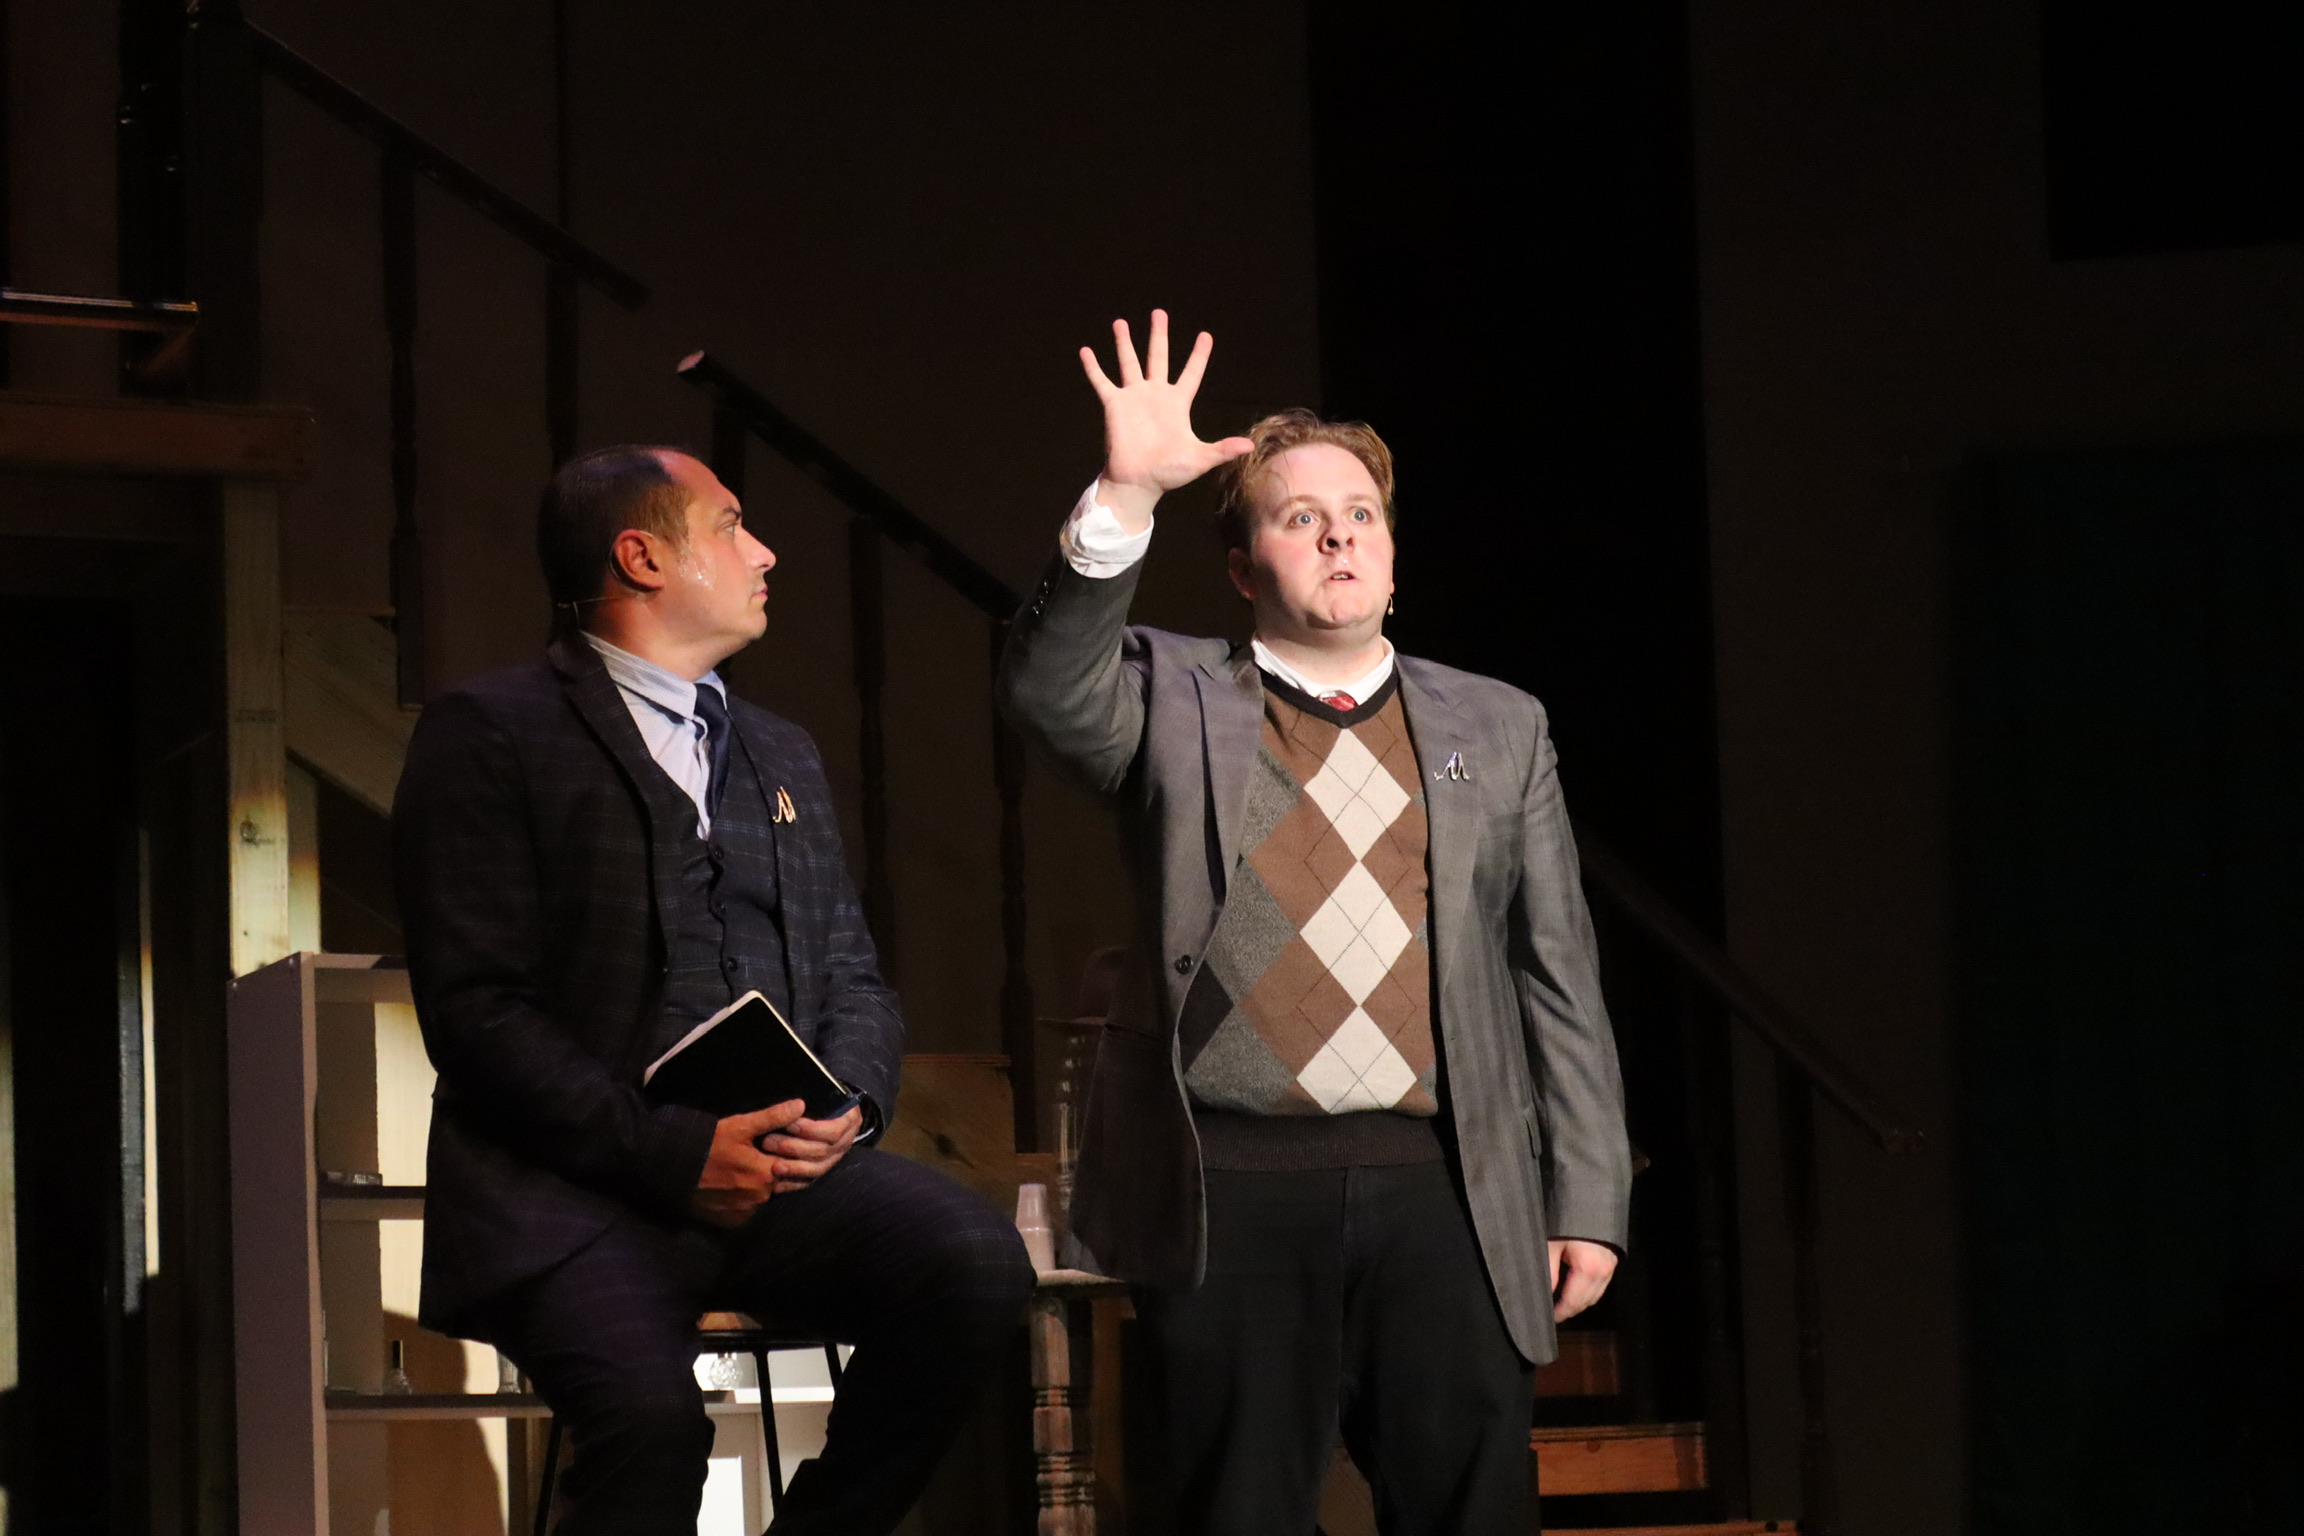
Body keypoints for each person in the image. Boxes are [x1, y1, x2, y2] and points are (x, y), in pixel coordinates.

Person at [998, 312, 1633, 1534]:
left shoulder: (1500, 725)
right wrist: (1126, 495)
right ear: (1244, 570)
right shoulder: (1175, 699)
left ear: (1391, 552)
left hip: (1446, 1191)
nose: (1339, 536)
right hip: (1228, 1194)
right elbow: (1046, 688)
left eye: (1361, 515)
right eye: (1299, 517)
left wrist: (1588, 1197)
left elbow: (1554, 971)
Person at [392, 446, 1035, 1536]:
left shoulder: (780, 750)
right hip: (576, 1198)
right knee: (653, 1427)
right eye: (732, 525)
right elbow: (477, 1011)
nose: (766, 553)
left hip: (778, 1185)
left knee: (973, 1263)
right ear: (641, 557)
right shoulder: (493, 732)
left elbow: (853, 974)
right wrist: (673, 1153)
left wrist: (850, 1107)